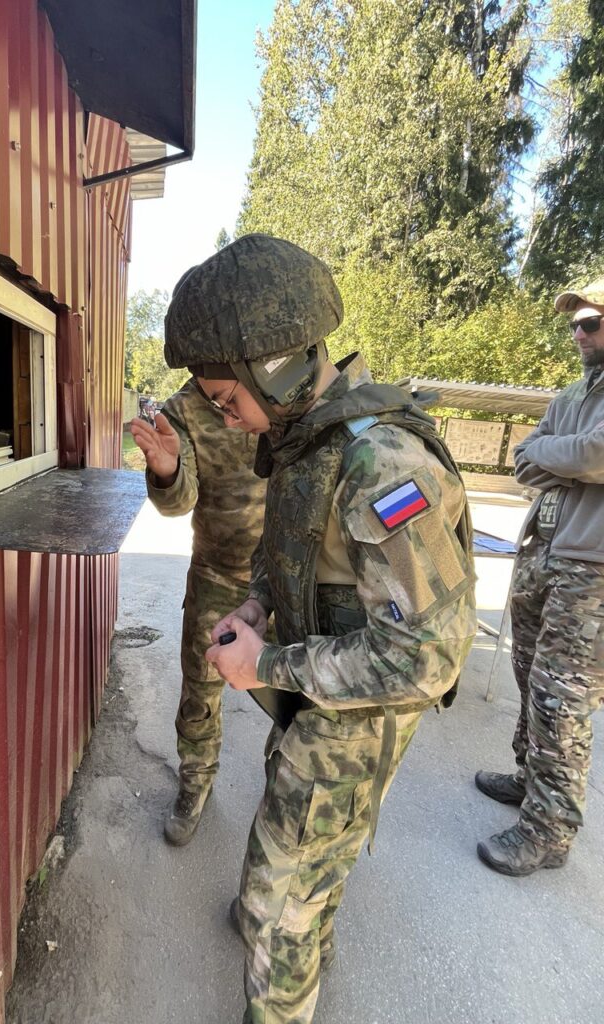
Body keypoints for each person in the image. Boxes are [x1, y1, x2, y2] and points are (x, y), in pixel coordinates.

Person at [162, 234, 476, 1024]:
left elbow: (427, 659)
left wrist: (270, 667)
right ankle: (295, 922)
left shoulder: (385, 467)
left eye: (227, 400)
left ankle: (285, 948)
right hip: (319, 700)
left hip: (353, 721)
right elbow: (296, 551)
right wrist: (258, 606)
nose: (226, 419)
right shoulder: (311, 441)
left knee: (281, 906)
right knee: (298, 860)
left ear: (275, 366)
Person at [475, 277, 604, 876]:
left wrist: (569, 457)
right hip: (543, 554)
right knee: (529, 674)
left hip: (591, 571)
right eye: (575, 323)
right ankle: (533, 780)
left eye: (593, 322)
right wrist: (569, 458)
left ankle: (548, 831)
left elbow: (596, 456)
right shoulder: (572, 395)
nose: (580, 332)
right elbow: (526, 458)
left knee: (562, 700)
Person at [130, 361, 267, 845]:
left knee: (299, 688)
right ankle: (196, 781)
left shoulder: (279, 387)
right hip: (220, 572)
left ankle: (289, 797)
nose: (225, 409)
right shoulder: (184, 409)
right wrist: (166, 472)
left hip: (294, 573)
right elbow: (177, 501)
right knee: (201, 689)